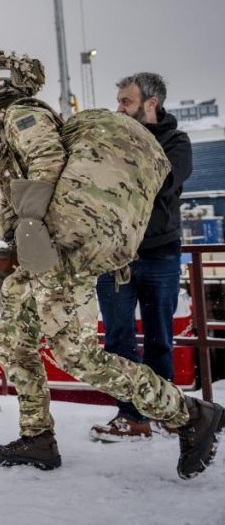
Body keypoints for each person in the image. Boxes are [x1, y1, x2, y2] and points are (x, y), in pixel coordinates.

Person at [0, 49, 223, 479]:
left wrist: (29, 238)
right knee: (14, 346)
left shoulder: (21, 114)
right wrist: (14, 246)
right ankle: (38, 438)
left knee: (75, 354)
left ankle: (188, 414)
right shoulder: (16, 116)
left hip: (53, 253)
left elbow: (48, 163)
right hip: (36, 253)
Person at [89, 72, 193, 441]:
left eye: (126, 102)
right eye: (118, 101)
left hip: (160, 255)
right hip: (114, 257)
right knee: (117, 339)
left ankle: (165, 411)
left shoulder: (176, 142)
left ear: (152, 103)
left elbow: (164, 180)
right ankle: (131, 416)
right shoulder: (111, 140)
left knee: (159, 338)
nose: (119, 108)